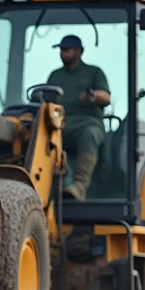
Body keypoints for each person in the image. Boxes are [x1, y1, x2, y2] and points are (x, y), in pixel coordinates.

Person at [46, 35, 111, 200]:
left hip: (88, 123)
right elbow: (46, 99)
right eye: (62, 50)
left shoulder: (94, 72)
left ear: (79, 52)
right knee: (39, 136)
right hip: (60, 125)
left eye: (67, 50)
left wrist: (92, 96)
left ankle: (79, 187)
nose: (63, 54)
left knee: (88, 135)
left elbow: (105, 97)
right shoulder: (55, 76)